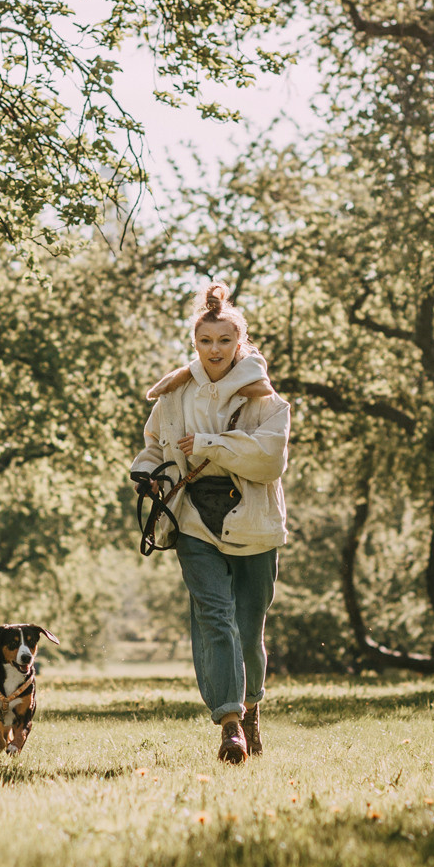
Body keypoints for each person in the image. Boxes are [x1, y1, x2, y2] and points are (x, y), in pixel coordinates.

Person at [131, 284, 291, 764]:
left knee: (248, 628)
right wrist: (145, 472)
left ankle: (251, 707)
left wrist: (209, 445)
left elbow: (269, 460)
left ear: (240, 342)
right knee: (214, 618)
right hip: (193, 520)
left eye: (224, 340)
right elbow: (155, 445)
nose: (215, 349)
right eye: (205, 341)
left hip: (254, 521)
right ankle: (230, 725)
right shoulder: (173, 395)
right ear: (194, 343)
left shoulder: (267, 400)